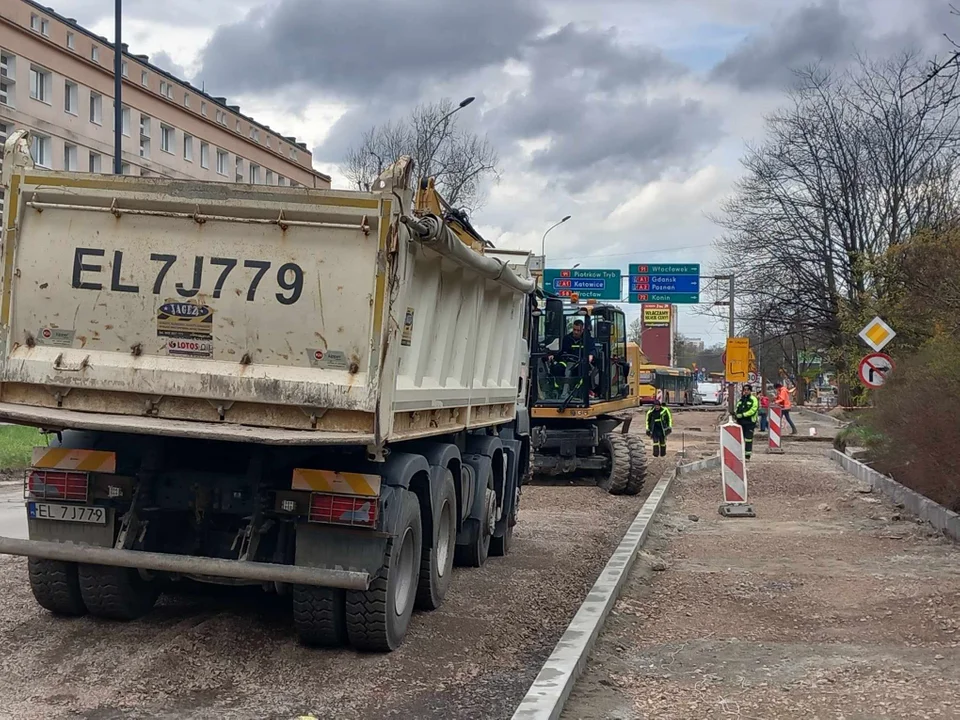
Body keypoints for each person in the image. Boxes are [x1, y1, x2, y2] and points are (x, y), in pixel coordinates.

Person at [735, 384, 760, 460]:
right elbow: (737, 408)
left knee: (748, 439)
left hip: (750, 422)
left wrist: (743, 415)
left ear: (750, 391)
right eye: (744, 390)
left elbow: (753, 410)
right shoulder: (741, 399)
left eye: (747, 390)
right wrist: (736, 414)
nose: (745, 391)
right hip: (741, 422)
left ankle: (747, 456)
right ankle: (740, 454)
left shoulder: (753, 399)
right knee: (740, 439)